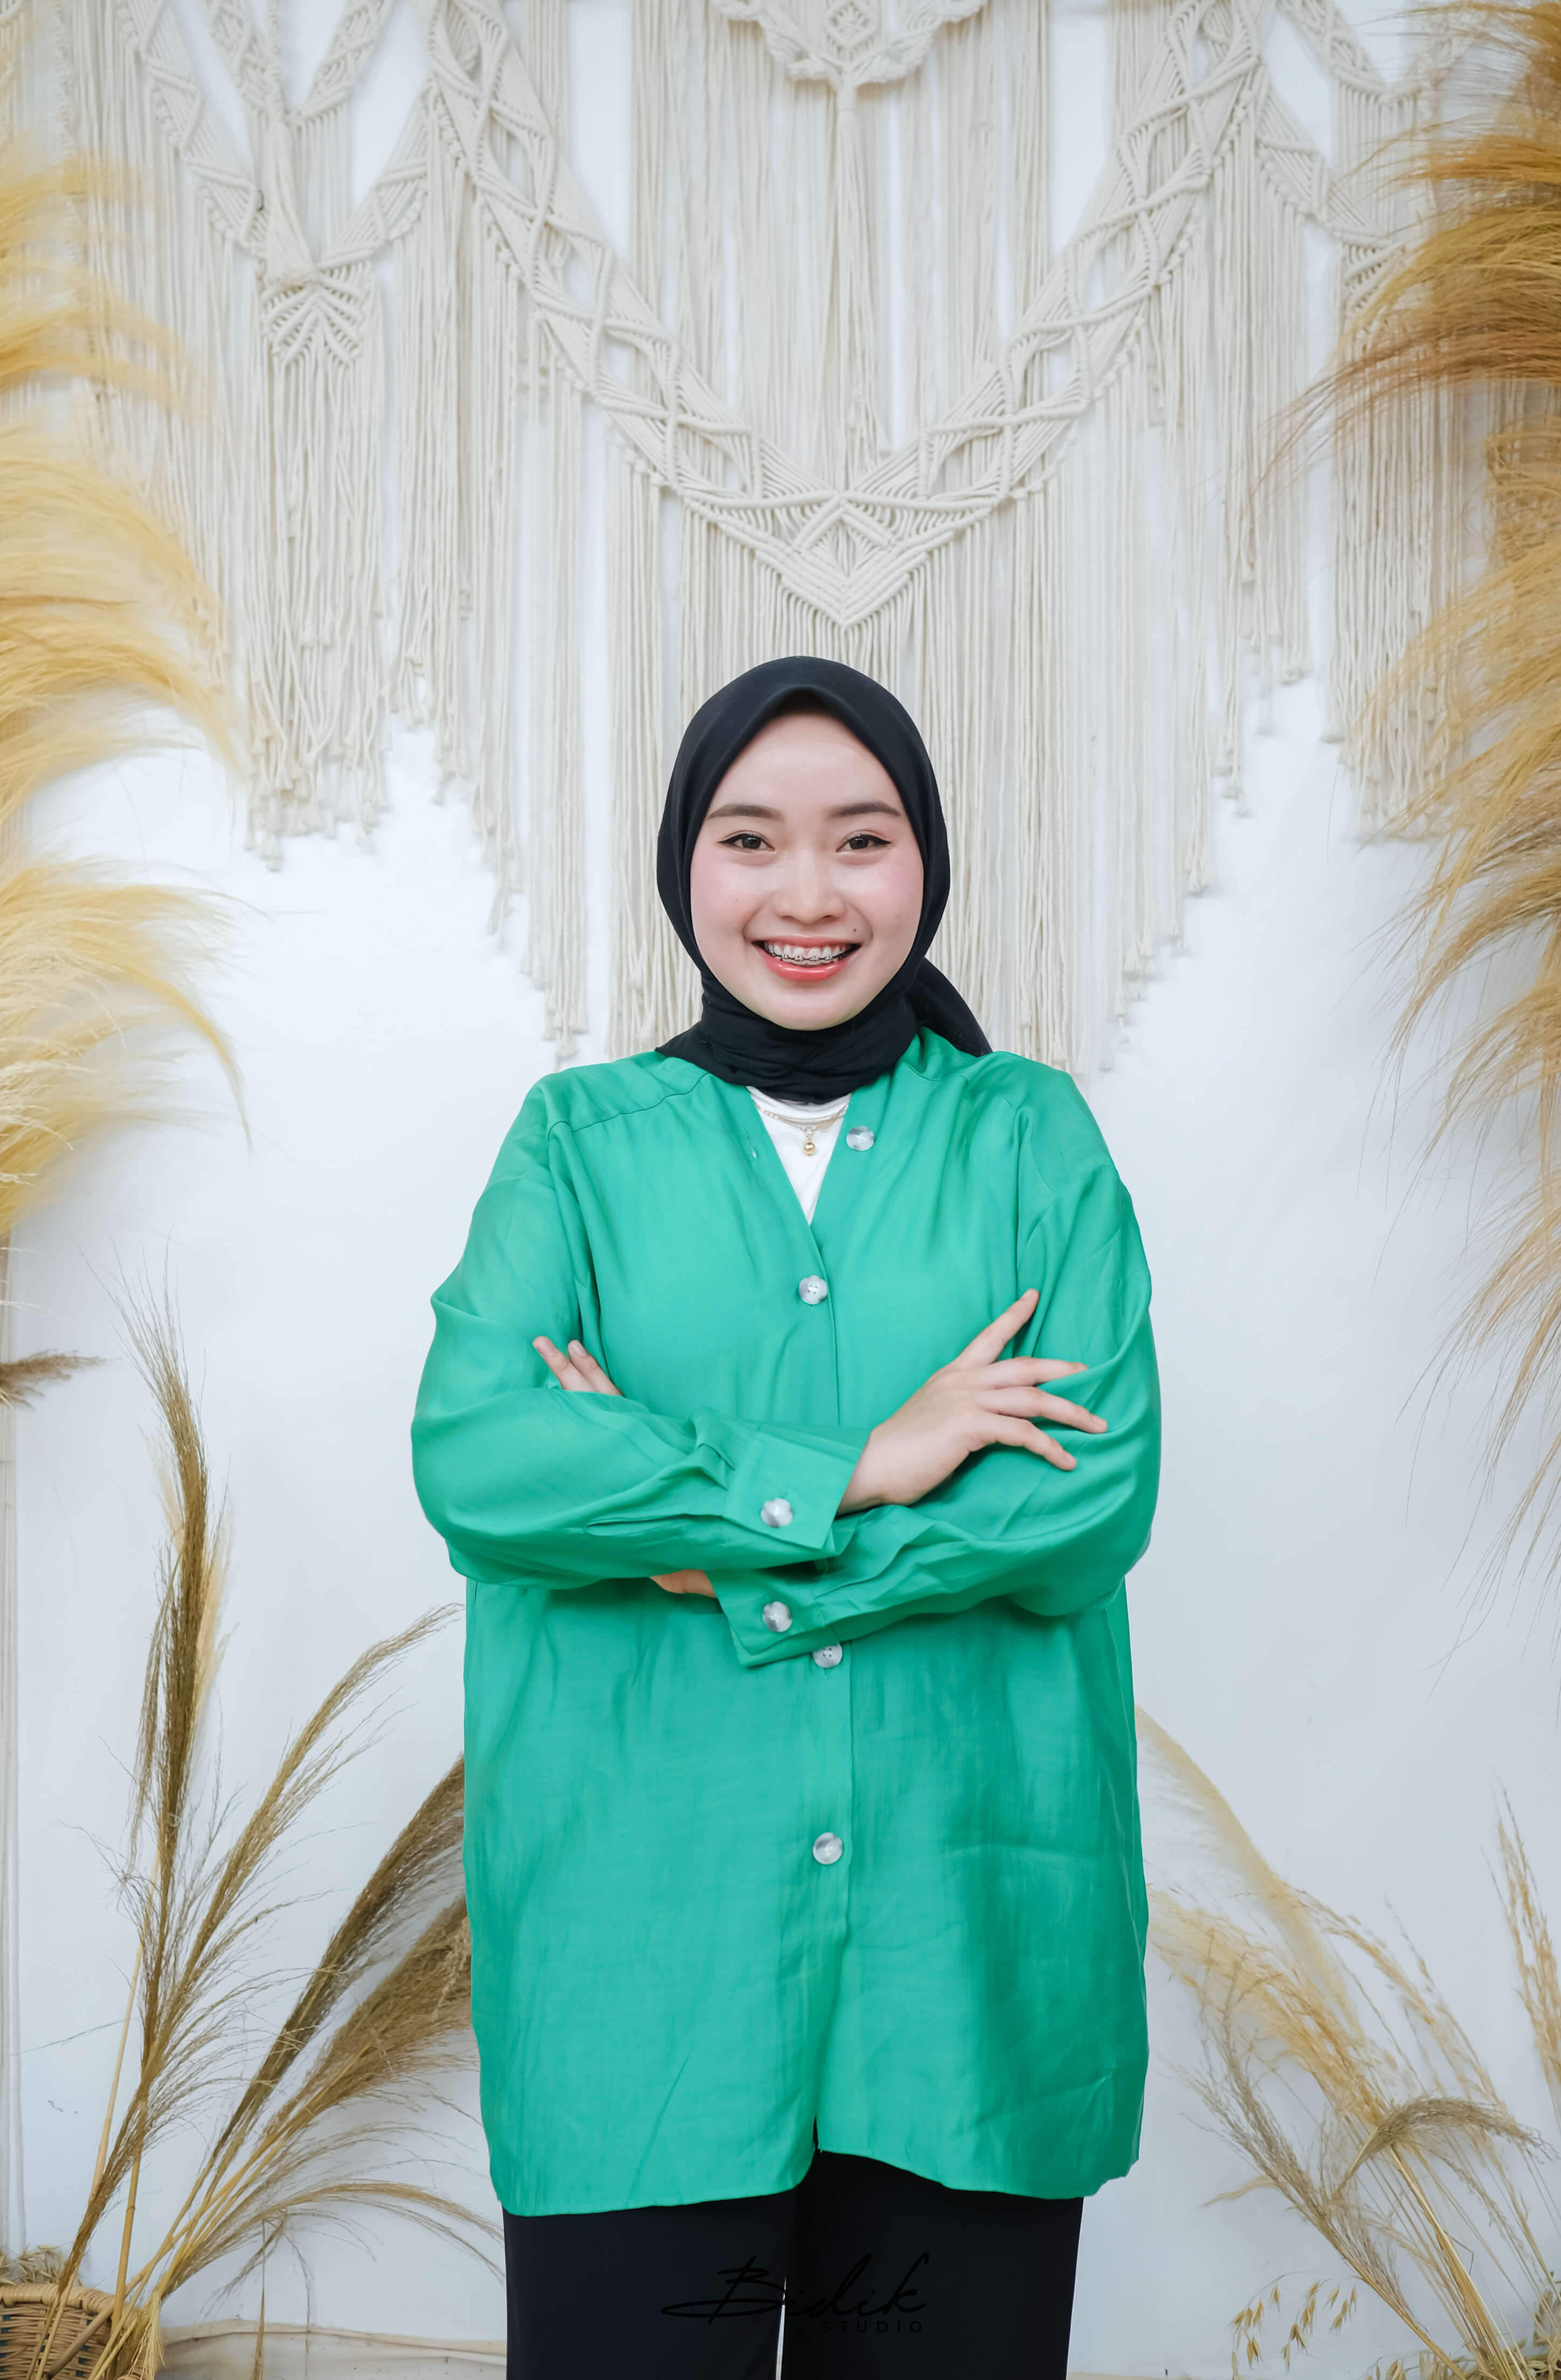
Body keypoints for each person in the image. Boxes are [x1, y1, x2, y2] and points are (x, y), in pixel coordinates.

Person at [410, 656, 1162, 2378]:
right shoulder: (578, 1145)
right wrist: (863, 1467)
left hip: (964, 1980)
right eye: (751, 839)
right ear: (685, 859)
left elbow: (1087, 1499)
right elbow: (484, 1458)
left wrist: (717, 1557)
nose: (807, 895)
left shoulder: (1029, 1138)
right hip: (641, 1981)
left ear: (927, 865)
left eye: (862, 839)